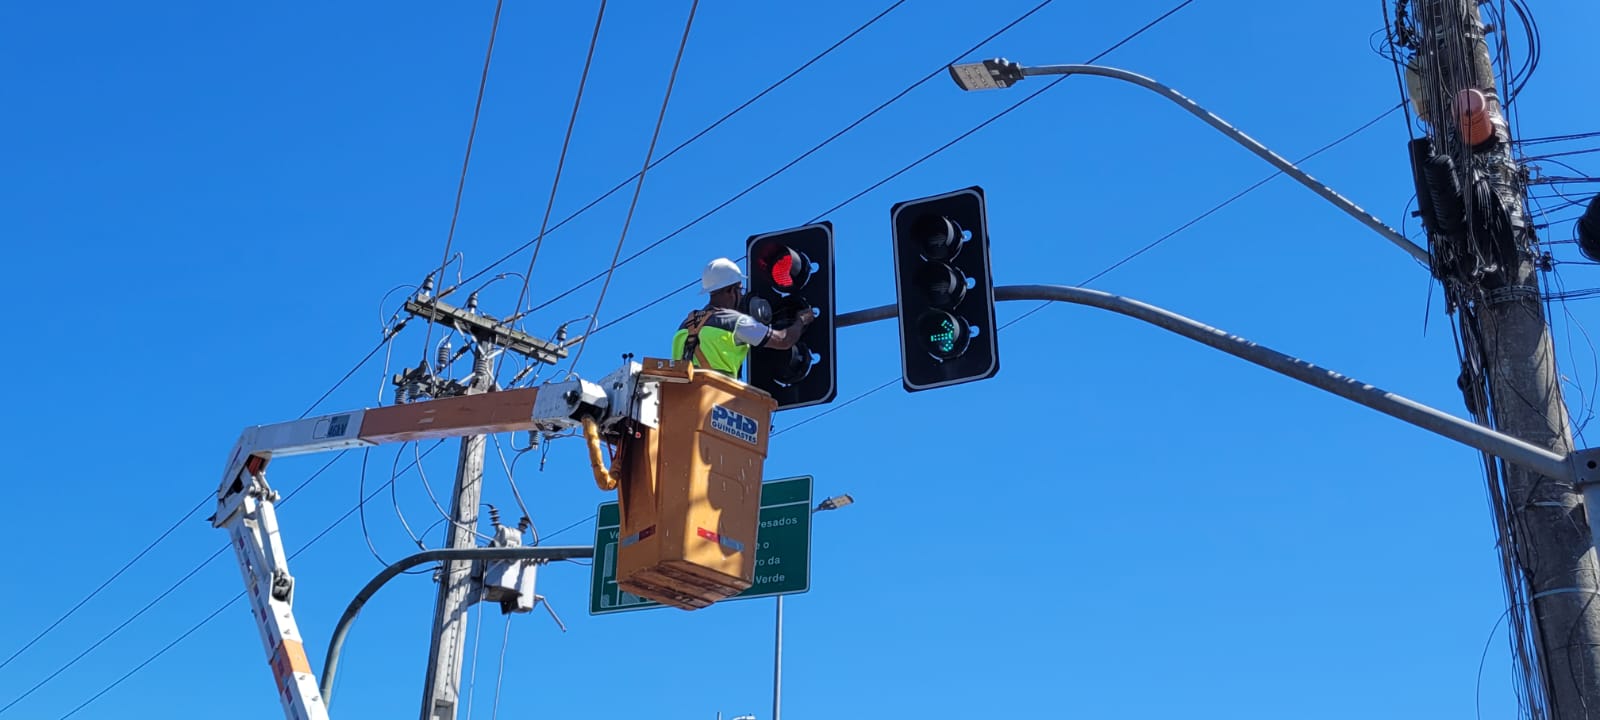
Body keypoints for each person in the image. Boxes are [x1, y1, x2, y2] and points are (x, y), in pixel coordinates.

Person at [672, 257, 814, 377]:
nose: (741, 295)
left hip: (684, 400)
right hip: (717, 398)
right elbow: (783, 340)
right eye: (740, 290)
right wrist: (800, 321)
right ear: (730, 290)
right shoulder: (735, 322)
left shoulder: (686, 324)